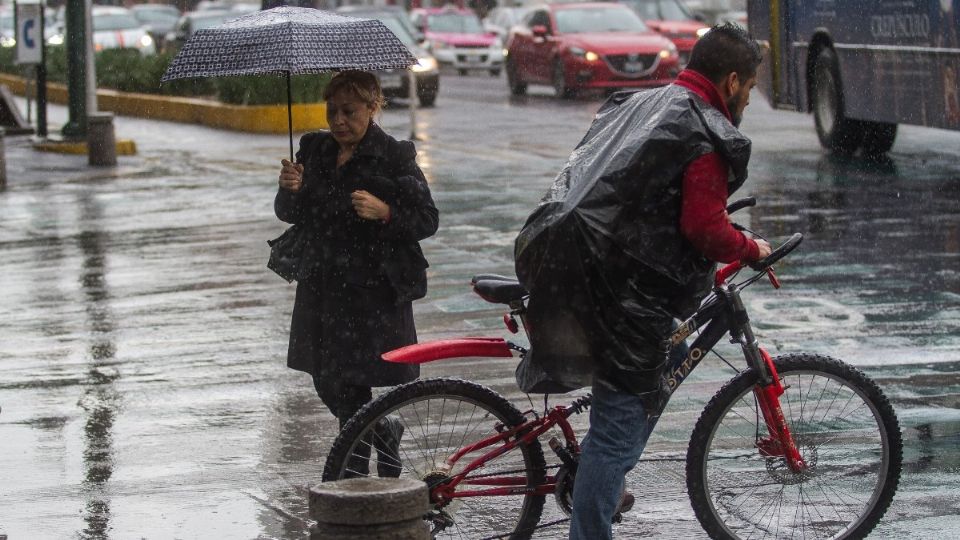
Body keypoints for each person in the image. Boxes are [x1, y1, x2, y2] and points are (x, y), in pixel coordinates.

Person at [513, 24, 772, 539]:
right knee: (615, 435)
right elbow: (703, 226)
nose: (750, 98)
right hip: (621, 297)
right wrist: (748, 247)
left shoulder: (640, 103)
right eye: (751, 87)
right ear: (734, 79)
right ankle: (593, 514)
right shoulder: (704, 129)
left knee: (634, 403)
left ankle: (599, 481)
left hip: (575, 266)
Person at [274, 71, 439, 474]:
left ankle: (353, 475)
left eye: (349, 111)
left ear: (372, 107)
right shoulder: (313, 149)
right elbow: (290, 214)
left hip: (371, 289)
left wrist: (386, 213)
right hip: (322, 284)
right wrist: (289, 189)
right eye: (333, 111)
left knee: (355, 380)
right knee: (327, 380)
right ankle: (382, 430)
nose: (339, 121)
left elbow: (427, 219)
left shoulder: (394, 155)